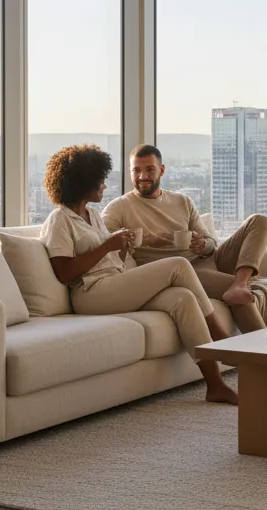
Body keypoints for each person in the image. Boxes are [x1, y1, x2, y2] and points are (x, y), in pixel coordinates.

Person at [39, 144, 237, 405]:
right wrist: (109, 245)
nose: (104, 186)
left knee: (182, 298)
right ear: (82, 182)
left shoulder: (93, 216)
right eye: (99, 180)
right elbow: (64, 272)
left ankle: (215, 385)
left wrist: (122, 248)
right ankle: (220, 336)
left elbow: (110, 259)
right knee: (177, 265)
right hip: (90, 293)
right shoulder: (60, 220)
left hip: (114, 283)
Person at [103, 144, 267, 335]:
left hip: (206, 260)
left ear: (162, 170)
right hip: (181, 273)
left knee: (259, 221)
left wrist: (203, 245)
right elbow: (101, 240)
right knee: (232, 290)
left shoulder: (182, 201)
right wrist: (147, 239)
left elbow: (211, 243)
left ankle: (241, 283)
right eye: (136, 171)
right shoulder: (118, 208)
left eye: (150, 170)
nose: (142, 177)